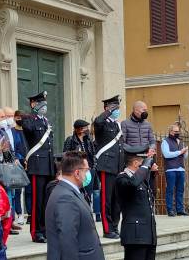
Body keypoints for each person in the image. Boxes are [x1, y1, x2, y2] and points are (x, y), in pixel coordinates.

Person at [116, 149, 158, 260]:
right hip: (134, 236)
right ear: (135, 163)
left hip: (148, 234)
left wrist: (151, 173)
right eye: (143, 161)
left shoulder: (141, 177)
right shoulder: (123, 178)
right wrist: (146, 165)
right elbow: (133, 184)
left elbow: (150, 198)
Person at [19, 91, 54, 243]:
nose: (44, 107)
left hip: (47, 165)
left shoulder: (45, 121)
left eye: (45, 104)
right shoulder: (29, 119)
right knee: (37, 201)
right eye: (41, 104)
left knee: (47, 201)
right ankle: (36, 231)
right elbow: (27, 128)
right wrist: (32, 113)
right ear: (33, 104)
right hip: (37, 165)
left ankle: (45, 229)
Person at [92, 95, 123, 238]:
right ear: (107, 108)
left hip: (117, 166)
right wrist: (108, 112)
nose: (117, 110)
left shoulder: (117, 125)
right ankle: (107, 228)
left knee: (117, 200)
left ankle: (115, 226)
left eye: (117, 108)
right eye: (114, 108)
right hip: (106, 166)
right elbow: (97, 121)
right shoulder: (102, 124)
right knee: (107, 199)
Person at [0, 107, 27, 227]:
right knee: (8, 194)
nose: (8, 119)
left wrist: (15, 159)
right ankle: (9, 220)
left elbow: (10, 147)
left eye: (9, 116)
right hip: (1, 165)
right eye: (4, 116)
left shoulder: (6, 130)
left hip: (12, 163)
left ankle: (11, 219)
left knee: (12, 193)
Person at [121, 100, 156, 195]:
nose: (146, 112)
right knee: (134, 184)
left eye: (146, 110)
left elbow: (152, 141)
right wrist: (134, 151)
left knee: (147, 184)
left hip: (146, 157)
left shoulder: (148, 124)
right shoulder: (125, 124)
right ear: (136, 110)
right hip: (132, 159)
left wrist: (151, 149)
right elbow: (122, 143)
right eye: (143, 109)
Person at [64, 119, 95, 207]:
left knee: (88, 193)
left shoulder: (88, 140)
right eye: (85, 128)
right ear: (79, 129)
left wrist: (93, 167)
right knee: (77, 192)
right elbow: (66, 155)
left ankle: (87, 211)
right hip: (76, 171)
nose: (87, 129)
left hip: (88, 170)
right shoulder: (70, 140)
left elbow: (93, 154)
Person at [160, 123, 188, 216]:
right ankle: (170, 209)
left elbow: (185, 157)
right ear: (170, 132)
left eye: (178, 131)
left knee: (180, 190)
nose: (177, 133)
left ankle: (180, 209)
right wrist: (180, 152)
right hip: (171, 169)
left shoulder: (181, 141)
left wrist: (185, 152)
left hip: (181, 169)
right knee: (170, 190)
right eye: (175, 131)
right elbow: (166, 155)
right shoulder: (165, 141)